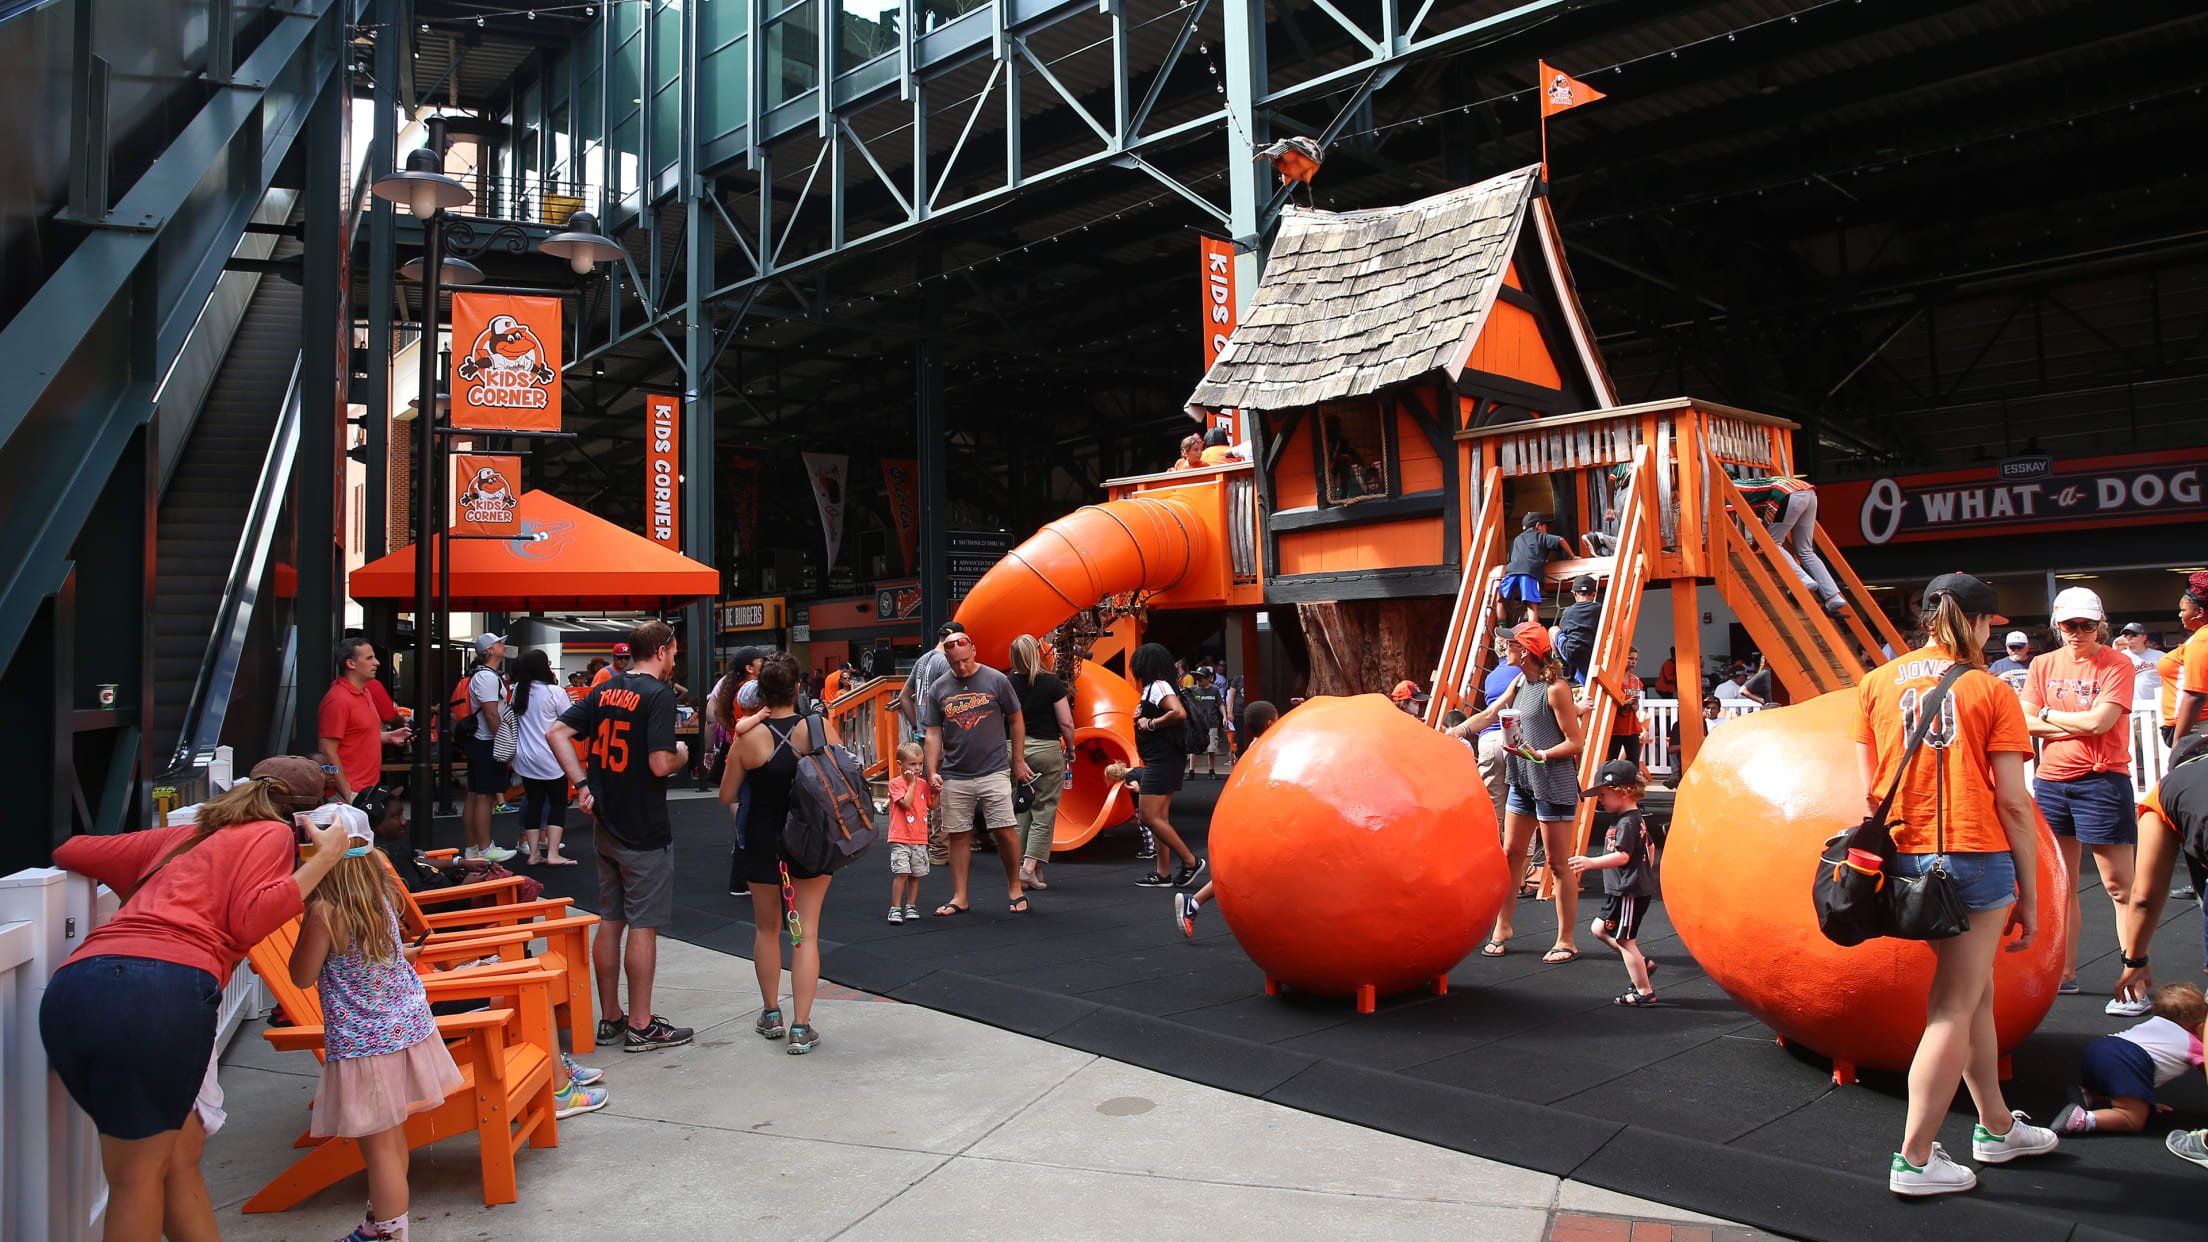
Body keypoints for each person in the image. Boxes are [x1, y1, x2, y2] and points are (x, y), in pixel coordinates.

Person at [41, 774, 346, 1242]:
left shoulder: (182, 837)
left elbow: (71, 850)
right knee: (136, 1179)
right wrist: (323, 858)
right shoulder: (273, 834)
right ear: (304, 820)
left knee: (178, 1157)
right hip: (160, 993)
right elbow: (249, 920)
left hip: (79, 985)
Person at [1855, 572, 2058, 1196]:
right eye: (1988, 625)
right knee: (1953, 1005)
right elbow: (2016, 804)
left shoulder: (1874, 683)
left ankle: (1995, 1127)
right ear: (1974, 621)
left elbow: (1872, 787)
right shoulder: (1989, 689)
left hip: (1907, 860)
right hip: (1974, 856)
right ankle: (1914, 1160)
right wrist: (2027, 886)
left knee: (1974, 994)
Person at [287, 806, 474, 1242]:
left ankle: (390, 1235)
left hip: (364, 1044)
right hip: (405, 1031)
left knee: (381, 1150)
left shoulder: (326, 911)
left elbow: (301, 975)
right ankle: (378, 1227)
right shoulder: (381, 893)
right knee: (391, 1142)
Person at [549, 619, 694, 1054]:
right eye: (674, 650)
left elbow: (557, 732)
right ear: (662, 649)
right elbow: (657, 763)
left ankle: (611, 1016)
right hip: (642, 824)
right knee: (644, 925)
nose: (675, 657)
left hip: (606, 821)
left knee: (611, 919)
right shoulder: (658, 694)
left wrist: (581, 785)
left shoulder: (606, 688)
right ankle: (641, 1023)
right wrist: (681, 755)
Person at [722, 652, 847, 1053]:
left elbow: (726, 794)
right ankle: (801, 1025)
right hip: (811, 840)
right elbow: (844, 778)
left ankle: (771, 1012)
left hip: (762, 839)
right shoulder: (820, 728)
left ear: (761, 692)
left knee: (765, 929)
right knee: (805, 933)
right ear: (798, 689)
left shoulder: (748, 737)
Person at [2020, 587, 2138, 1003]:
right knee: (2062, 885)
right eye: (2070, 624)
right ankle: (2064, 972)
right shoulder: (2042, 664)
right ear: (2057, 624)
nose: (2078, 632)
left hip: (2102, 781)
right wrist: (2077, 723)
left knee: (2121, 887)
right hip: (2053, 783)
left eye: (2087, 624)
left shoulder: (2117, 663)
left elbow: (2102, 723)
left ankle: (2135, 977)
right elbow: (2024, 722)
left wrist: (2049, 715)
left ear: (2100, 624)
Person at [1445, 621, 1587, 963]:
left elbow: (1575, 742)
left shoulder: (1556, 689)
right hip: (1522, 779)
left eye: (1509, 644)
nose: (1503, 648)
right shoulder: (1520, 680)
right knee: (1510, 853)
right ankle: (1502, 927)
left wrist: (1542, 754)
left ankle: (1566, 940)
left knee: (1556, 863)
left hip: (1552, 781)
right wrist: (1455, 732)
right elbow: (1491, 714)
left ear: (1525, 652)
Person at [923, 629, 1033, 914]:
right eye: (954, 662)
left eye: (964, 660)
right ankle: (960, 896)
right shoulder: (939, 688)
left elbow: (1016, 719)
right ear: (947, 659)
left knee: (1004, 830)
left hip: (993, 768)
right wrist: (931, 770)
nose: (961, 667)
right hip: (955, 772)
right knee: (958, 834)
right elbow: (933, 733)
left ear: (973, 651)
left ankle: (1015, 885)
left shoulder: (996, 679)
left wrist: (1018, 760)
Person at [1174, 700, 1277, 937]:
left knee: (1240, 872)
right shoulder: (1267, 749)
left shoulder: (1256, 747)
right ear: (1271, 724)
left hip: (1246, 818)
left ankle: (1195, 902)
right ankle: (1196, 902)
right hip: (1256, 821)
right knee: (1247, 872)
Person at [2049, 982, 2206, 1137]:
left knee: (2125, 1087)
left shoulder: (2153, 1024)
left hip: (2100, 1047)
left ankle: (2088, 1095)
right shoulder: (2194, 1044)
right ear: (2200, 1028)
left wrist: (2143, 1100)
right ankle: (2083, 1120)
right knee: (2132, 1119)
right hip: (2127, 1059)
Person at [1568, 760, 1661, 1006]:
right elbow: (1649, 846)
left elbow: (1623, 856)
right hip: (1623, 889)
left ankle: (1644, 990)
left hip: (1629, 890)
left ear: (1624, 792)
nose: (1600, 799)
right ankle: (1641, 964)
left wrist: (1590, 862)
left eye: (1603, 794)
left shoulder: (1628, 822)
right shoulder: (1626, 818)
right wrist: (1644, 870)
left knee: (1624, 940)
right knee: (1599, 929)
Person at [1128, 641, 1207, 890]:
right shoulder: (1157, 687)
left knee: (1150, 816)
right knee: (1159, 818)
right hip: (1163, 759)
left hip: (1162, 761)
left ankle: (1190, 861)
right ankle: (1162, 873)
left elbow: (1178, 712)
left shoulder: (1158, 687)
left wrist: (1150, 724)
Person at [1006, 634, 1075, 890]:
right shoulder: (1051, 683)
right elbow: (1066, 721)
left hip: (1014, 750)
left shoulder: (1006, 683)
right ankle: (1029, 867)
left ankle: (1023, 868)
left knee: (1021, 805)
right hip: (1046, 748)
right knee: (1044, 808)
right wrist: (1072, 747)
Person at [1732, 474, 1849, 616]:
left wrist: (1744, 547)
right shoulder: (1745, 484)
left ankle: (1802, 580)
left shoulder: (1728, 489)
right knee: (1806, 551)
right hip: (1807, 491)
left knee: (1773, 545)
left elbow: (1734, 522)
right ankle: (1833, 596)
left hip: (1787, 493)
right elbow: (1751, 521)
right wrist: (1753, 545)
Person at [318, 638, 412, 805]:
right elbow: (326, 750)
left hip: (366, 790)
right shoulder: (338, 700)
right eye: (369, 658)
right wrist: (347, 792)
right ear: (351, 664)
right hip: (347, 795)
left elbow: (356, 734)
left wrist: (387, 737)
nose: (376, 663)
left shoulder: (365, 693)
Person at [506, 649, 575, 866]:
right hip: (551, 757)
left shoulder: (518, 690)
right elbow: (569, 721)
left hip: (524, 758)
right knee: (557, 803)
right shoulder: (555, 692)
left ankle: (533, 852)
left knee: (534, 802)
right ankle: (553, 853)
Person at [455, 633, 516, 862]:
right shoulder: (488, 678)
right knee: (485, 797)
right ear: (489, 650)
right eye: (499, 643)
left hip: (481, 743)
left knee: (475, 795)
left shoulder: (483, 676)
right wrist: (505, 743)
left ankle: (473, 847)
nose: (504, 645)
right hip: (487, 743)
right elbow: (491, 713)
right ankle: (484, 848)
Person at [1473, 645, 1521, 835]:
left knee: (1493, 810)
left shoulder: (1490, 676)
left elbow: (1490, 712)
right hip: (1514, 737)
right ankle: (1520, 859)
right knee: (1521, 807)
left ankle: (1490, 853)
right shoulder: (1522, 671)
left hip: (1488, 740)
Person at [1497, 512, 1571, 625]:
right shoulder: (1540, 536)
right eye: (1545, 526)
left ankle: (1501, 627)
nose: (1546, 529)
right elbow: (1560, 540)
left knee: (1500, 599)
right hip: (1529, 572)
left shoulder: (1516, 539)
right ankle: (1533, 631)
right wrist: (1573, 556)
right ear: (1538, 526)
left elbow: (1510, 557)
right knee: (1531, 603)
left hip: (1511, 571)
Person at [886, 740, 931, 923]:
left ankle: (911, 905)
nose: (917, 768)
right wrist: (912, 785)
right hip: (900, 836)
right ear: (900, 765)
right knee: (902, 872)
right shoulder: (895, 784)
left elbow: (933, 805)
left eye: (920, 764)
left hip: (919, 836)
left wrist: (937, 791)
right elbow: (905, 803)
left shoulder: (923, 784)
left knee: (916, 874)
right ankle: (895, 908)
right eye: (912, 764)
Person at [2165, 572, 2208, 744]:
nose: (2180, 615)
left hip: (2198, 726)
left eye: (2183, 610)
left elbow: (2196, 694)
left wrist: (2178, 742)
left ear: (2199, 612)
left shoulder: (2202, 639)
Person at [1556, 574, 1601, 683]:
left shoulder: (1568, 611)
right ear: (1594, 594)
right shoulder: (1600, 609)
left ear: (1574, 593)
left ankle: (1562, 664)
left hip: (1571, 652)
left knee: (1553, 629)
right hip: (1591, 653)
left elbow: (1563, 631)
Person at [1184, 665, 1227, 775]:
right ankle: (1191, 770)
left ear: (1209, 678)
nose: (1199, 681)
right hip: (1197, 724)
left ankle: (1211, 771)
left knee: (1211, 748)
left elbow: (1220, 704)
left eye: (1201, 678)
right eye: (1197, 678)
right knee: (1194, 747)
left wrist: (1225, 716)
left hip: (1211, 723)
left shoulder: (1214, 690)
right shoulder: (1192, 690)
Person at [1611, 647, 1646, 765]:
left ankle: (1631, 782)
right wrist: (1626, 703)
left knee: (1634, 762)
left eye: (1636, 659)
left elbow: (1636, 706)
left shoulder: (1635, 680)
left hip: (1631, 726)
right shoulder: (1614, 678)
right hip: (1615, 726)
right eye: (1630, 658)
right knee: (1611, 760)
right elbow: (1610, 702)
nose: (1633, 662)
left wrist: (1633, 704)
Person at [2115, 622, 2162, 702]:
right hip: (2130, 706)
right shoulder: (2119, 656)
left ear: (2144, 637)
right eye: (2126, 635)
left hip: (2155, 704)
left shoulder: (2159, 656)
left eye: (2133, 635)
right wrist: (2115, 651)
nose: (2129, 638)